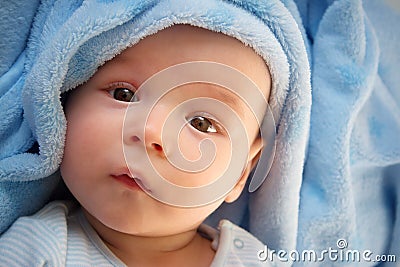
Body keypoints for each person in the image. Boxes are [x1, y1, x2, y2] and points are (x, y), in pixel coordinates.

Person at [0, 22, 277, 267]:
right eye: (124, 94)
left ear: (240, 172)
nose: (151, 132)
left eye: (201, 123)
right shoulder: (35, 249)